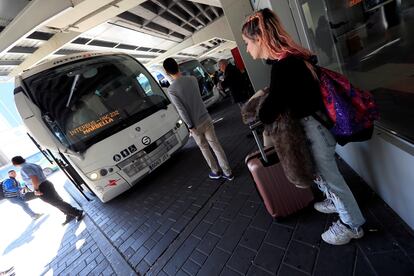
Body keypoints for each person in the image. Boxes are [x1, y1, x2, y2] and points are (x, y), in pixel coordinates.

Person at [241, 8, 365, 245]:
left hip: (314, 131)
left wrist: (261, 101)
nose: (247, 48)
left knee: (332, 180)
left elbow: (268, 112)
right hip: (316, 128)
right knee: (324, 176)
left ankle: (353, 224)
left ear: (260, 39)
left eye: (247, 42)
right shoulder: (290, 59)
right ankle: (336, 202)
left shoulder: (283, 67)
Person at [162, 58, 234, 181]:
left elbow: (181, 110)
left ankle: (215, 171)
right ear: (178, 66)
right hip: (206, 117)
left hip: (195, 124)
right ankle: (228, 172)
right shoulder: (192, 79)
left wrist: (190, 126)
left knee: (204, 148)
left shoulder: (172, 90)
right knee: (216, 145)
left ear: (167, 72)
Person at [11, 156, 84, 225]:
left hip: (41, 187)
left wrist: (36, 189)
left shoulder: (24, 168)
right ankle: (70, 214)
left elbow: (34, 178)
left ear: (15, 163)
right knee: (57, 200)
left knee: (56, 202)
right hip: (46, 183)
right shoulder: (31, 164)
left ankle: (77, 212)